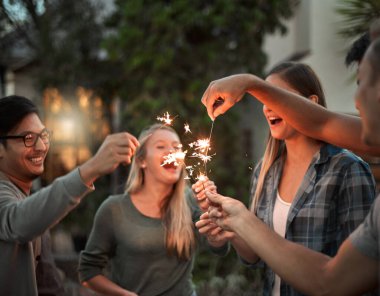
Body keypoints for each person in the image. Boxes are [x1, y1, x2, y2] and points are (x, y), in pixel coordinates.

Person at [198, 38, 380, 295]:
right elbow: (255, 257)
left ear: (310, 103)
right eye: (264, 99)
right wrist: (230, 228)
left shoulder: (347, 170)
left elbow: (351, 280)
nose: (268, 108)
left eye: (279, 98)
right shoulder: (266, 171)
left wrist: (241, 218)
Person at [0, 95, 139, 296]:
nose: (41, 147)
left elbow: (49, 284)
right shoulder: (13, 203)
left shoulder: (24, 196)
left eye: (44, 135)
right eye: (28, 138)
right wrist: (92, 168)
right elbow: (18, 221)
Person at [78, 124, 228, 296]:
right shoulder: (113, 209)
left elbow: (219, 248)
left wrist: (214, 216)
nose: (171, 152)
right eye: (161, 146)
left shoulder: (192, 201)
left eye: (176, 148)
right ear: (142, 161)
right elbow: (88, 272)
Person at [201, 20, 380, 157]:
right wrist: (239, 208)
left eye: (363, 83)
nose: (356, 101)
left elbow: (321, 123)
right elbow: (323, 123)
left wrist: (250, 83)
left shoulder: (346, 168)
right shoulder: (266, 172)